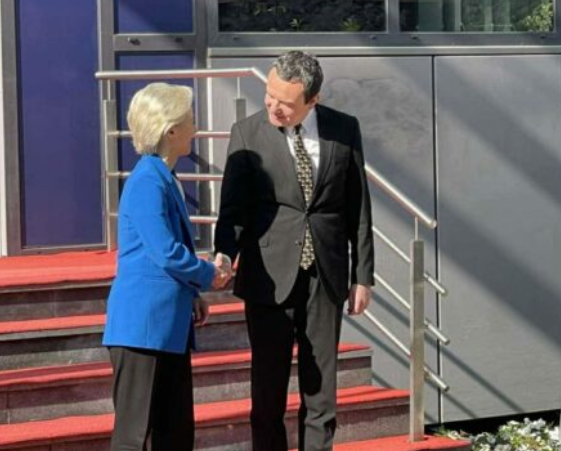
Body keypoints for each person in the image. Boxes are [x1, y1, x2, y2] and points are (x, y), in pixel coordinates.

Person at [214, 51, 375, 451]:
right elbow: (233, 208)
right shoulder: (247, 133)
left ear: (313, 100)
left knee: (321, 391)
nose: (273, 106)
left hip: (326, 276)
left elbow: (358, 206)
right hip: (268, 276)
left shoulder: (344, 129)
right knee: (267, 391)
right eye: (269, 95)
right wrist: (224, 253)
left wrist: (363, 276)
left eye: (285, 102)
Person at [102, 82, 230, 451]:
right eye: (190, 119)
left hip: (165, 326)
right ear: (171, 130)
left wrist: (192, 294)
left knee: (173, 434)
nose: (196, 127)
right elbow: (166, 252)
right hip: (142, 329)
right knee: (137, 437)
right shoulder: (147, 180)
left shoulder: (162, 176)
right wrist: (209, 274)